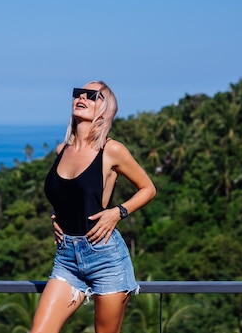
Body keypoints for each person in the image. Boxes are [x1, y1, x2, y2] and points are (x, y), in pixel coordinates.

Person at [30, 81, 157, 333]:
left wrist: (117, 212)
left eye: (93, 96)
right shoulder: (61, 150)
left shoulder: (111, 150)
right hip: (67, 258)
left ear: (106, 108)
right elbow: (66, 196)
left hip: (105, 257)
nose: (83, 98)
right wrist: (56, 216)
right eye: (79, 93)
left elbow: (148, 189)